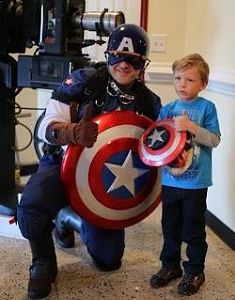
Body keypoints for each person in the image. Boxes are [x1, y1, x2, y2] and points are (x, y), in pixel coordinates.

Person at [16, 23, 161, 300]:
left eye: (132, 59)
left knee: (109, 261)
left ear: (142, 64)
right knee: (31, 213)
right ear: (108, 55)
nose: (123, 64)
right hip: (61, 164)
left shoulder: (149, 102)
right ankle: (43, 262)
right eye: (118, 55)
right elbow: (47, 126)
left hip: (103, 185)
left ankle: (71, 219)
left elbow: (156, 148)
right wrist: (71, 132)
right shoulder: (84, 81)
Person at [149, 53, 221, 296]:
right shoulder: (168, 109)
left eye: (190, 80)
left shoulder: (206, 108)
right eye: (178, 78)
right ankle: (170, 266)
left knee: (193, 229)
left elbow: (214, 140)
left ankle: (195, 270)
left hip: (196, 184)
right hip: (170, 180)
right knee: (170, 227)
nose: (182, 84)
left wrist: (192, 128)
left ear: (203, 84)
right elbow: (154, 140)